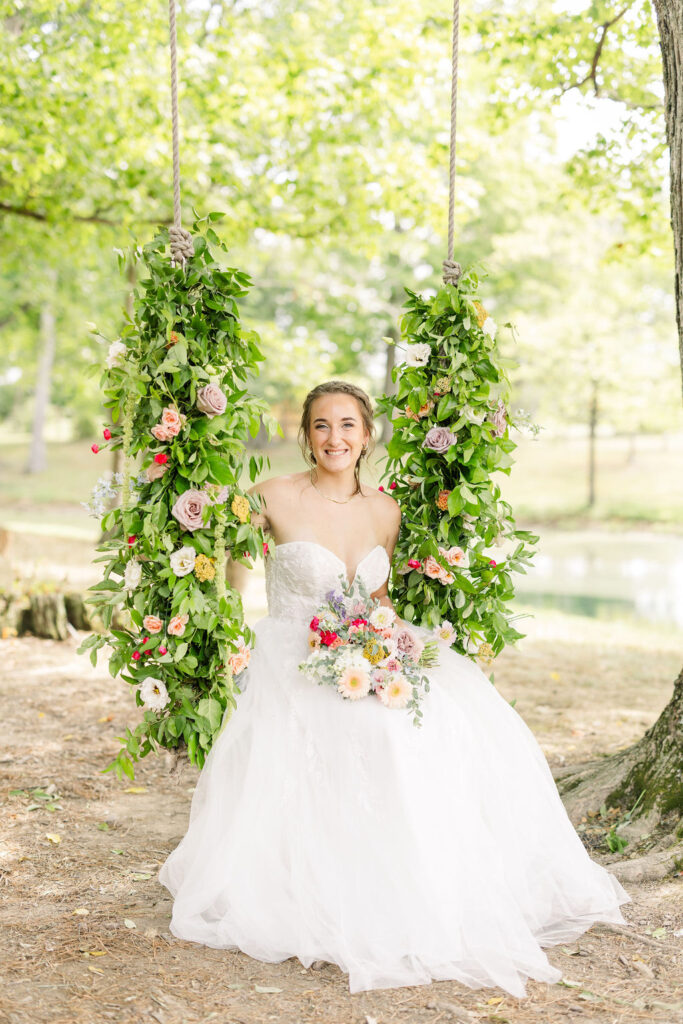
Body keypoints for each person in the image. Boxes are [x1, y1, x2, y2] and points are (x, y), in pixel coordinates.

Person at [158, 379, 631, 998]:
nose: (335, 437)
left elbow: (378, 597)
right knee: (369, 728)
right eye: (322, 426)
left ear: (367, 434)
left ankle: (429, 878)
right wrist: (236, 645)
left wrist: (396, 648)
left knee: (448, 715)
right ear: (305, 436)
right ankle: (334, 882)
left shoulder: (385, 510)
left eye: (348, 425)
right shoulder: (271, 496)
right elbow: (233, 580)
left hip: (367, 647)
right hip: (292, 651)